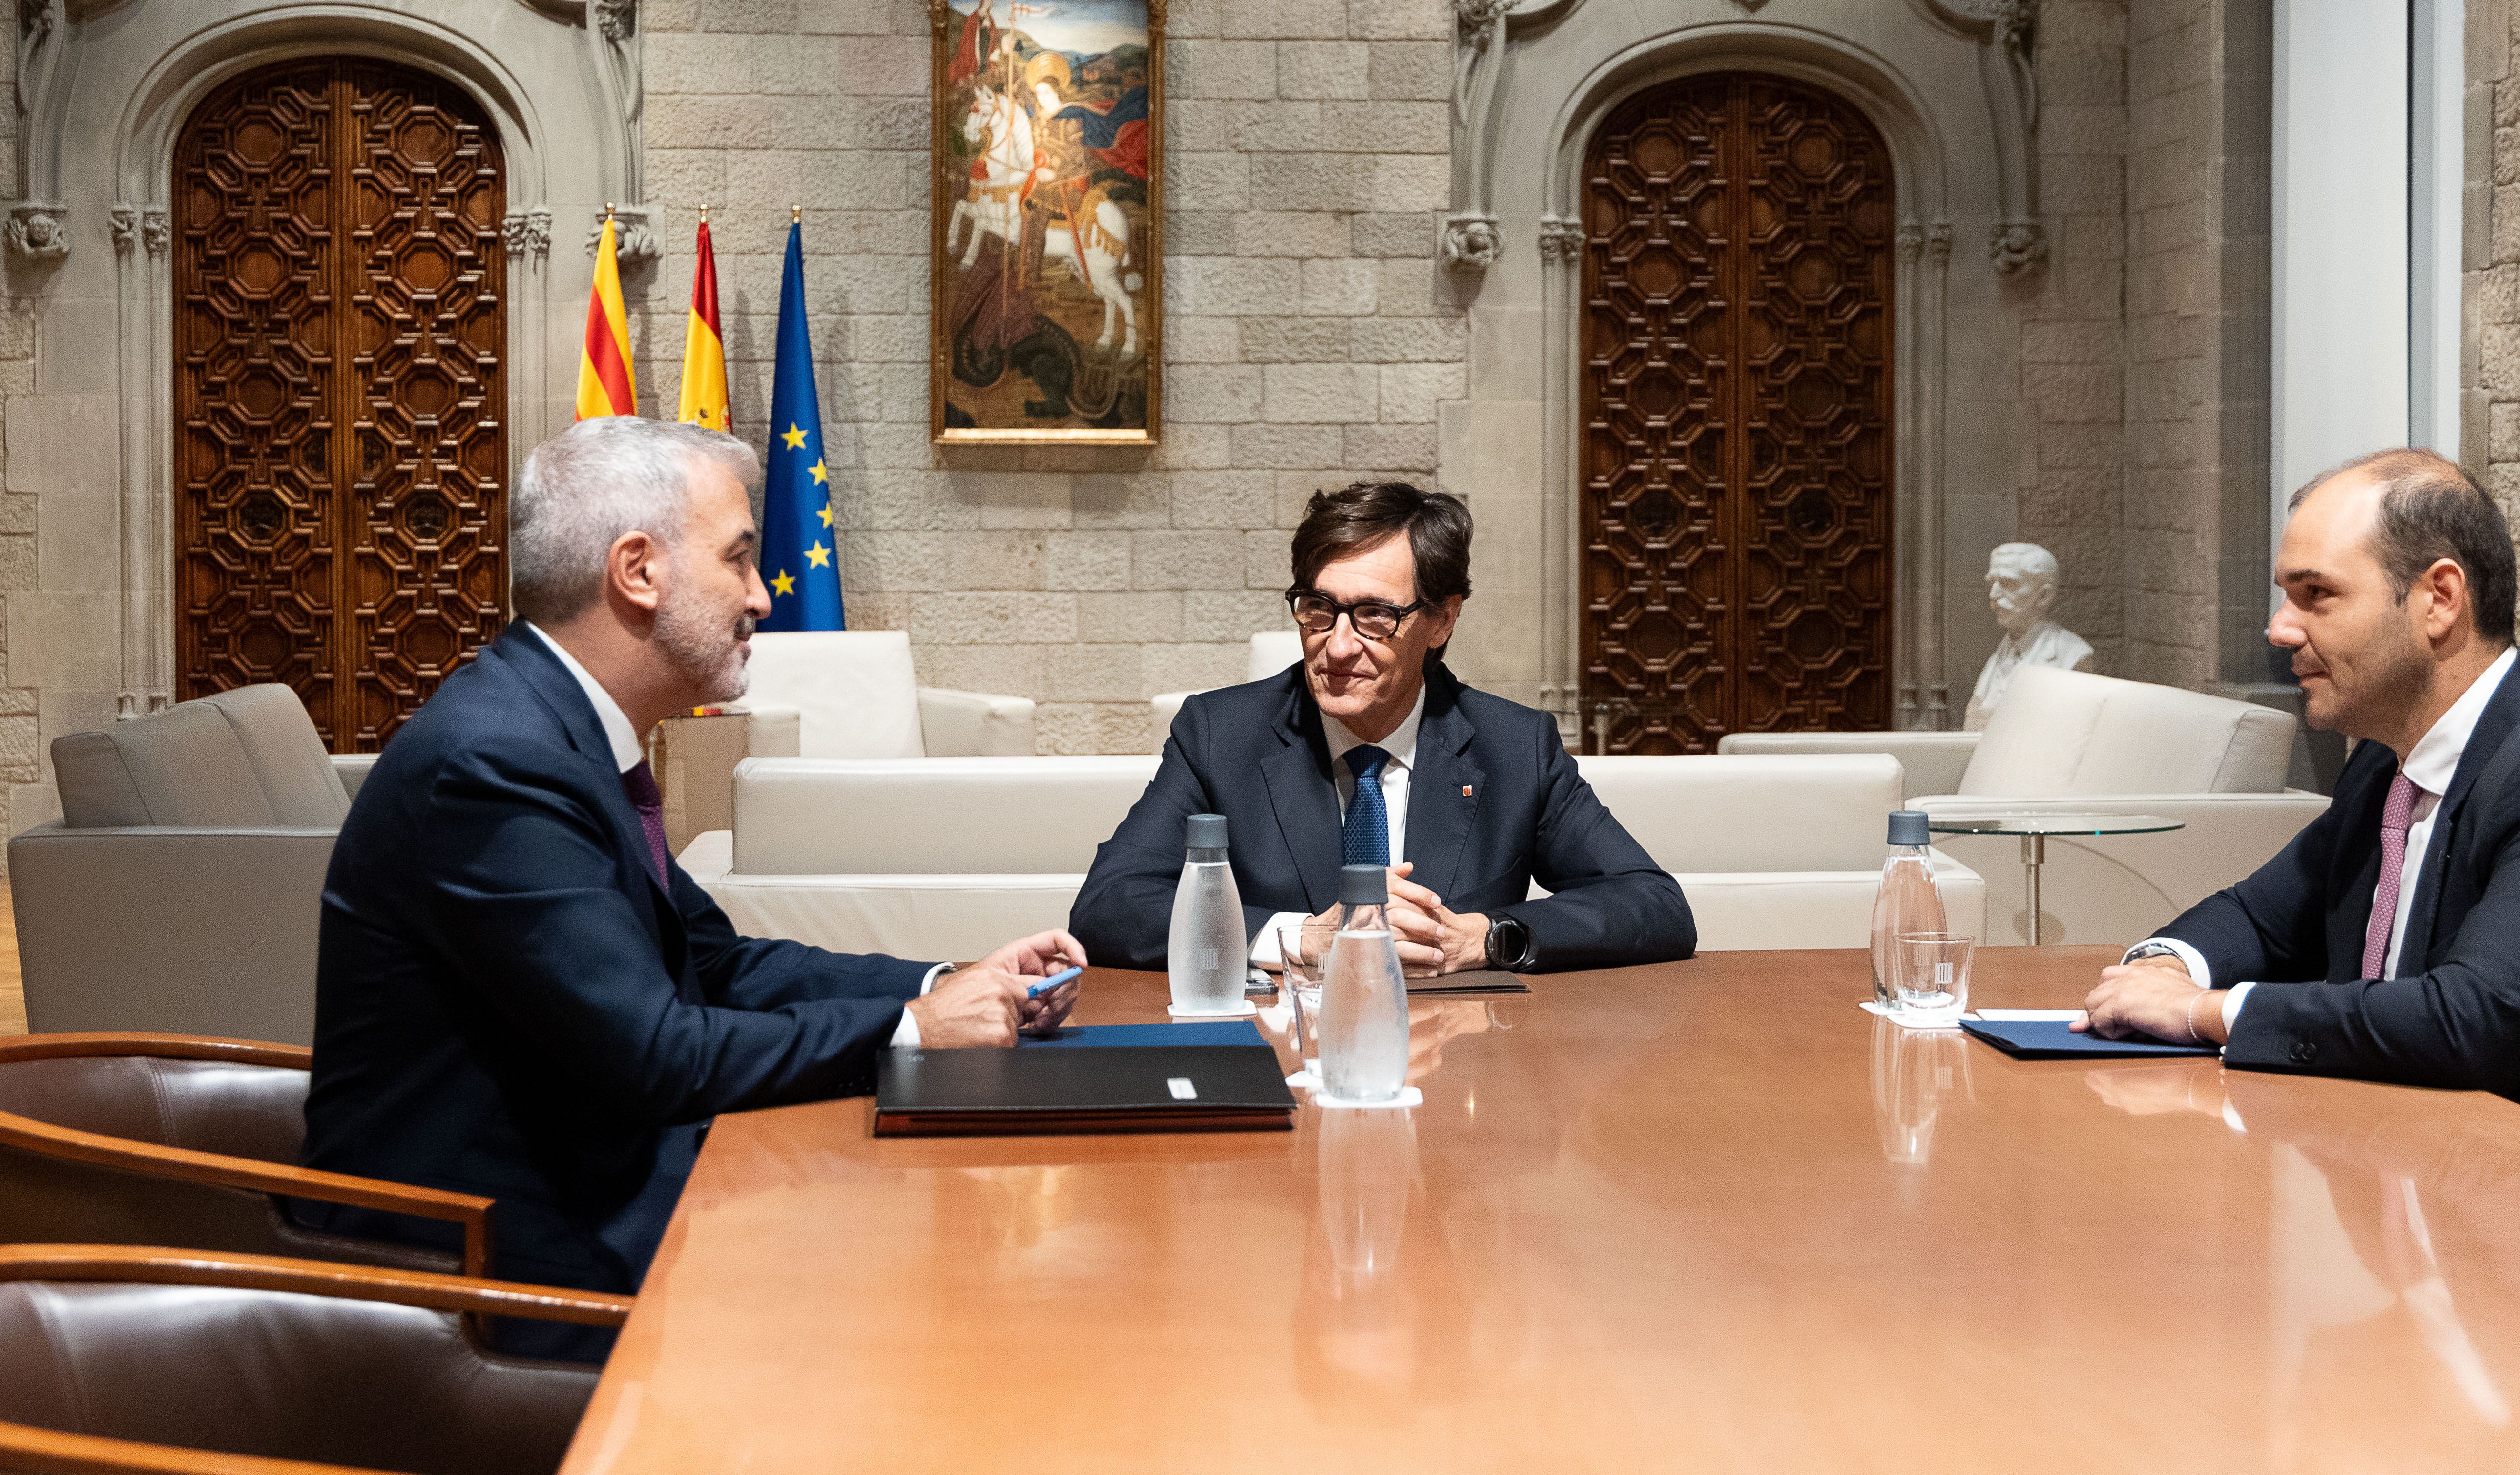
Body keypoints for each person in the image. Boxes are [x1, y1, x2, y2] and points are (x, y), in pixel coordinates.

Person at [300, 418, 1083, 1342]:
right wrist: (914, 1030)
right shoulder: (496, 764)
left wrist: (944, 984)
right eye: (740, 560)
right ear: (639, 571)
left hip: (595, 1203)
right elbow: (658, 1056)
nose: (762, 596)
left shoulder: (558, 734)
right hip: (496, 1284)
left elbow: (718, 963)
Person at [2076, 448, 2520, 1126]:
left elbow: (2474, 1021)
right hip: (2437, 1173)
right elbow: (2260, 918)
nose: (2278, 629)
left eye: (2314, 594)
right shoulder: (2386, 764)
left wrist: (2203, 1011)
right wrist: (2163, 969)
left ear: (2438, 599)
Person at [1072, 483, 1694, 975]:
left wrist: (1489, 936)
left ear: (1442, 621)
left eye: (1375, 615)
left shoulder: (1513, 746)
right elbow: (1109, 905)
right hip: (1286, 1057)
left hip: (1462, 1074)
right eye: (1320, 608)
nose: (1338, 646)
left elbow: (1655, 906)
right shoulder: (1220, 735)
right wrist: (1300, 936)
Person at [1959, 540, 2095, 729]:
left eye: (2008, 584)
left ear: (2043, 596)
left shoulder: (2072, 656)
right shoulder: (2001, 654)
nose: (1993, 594)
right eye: (1992, 583)